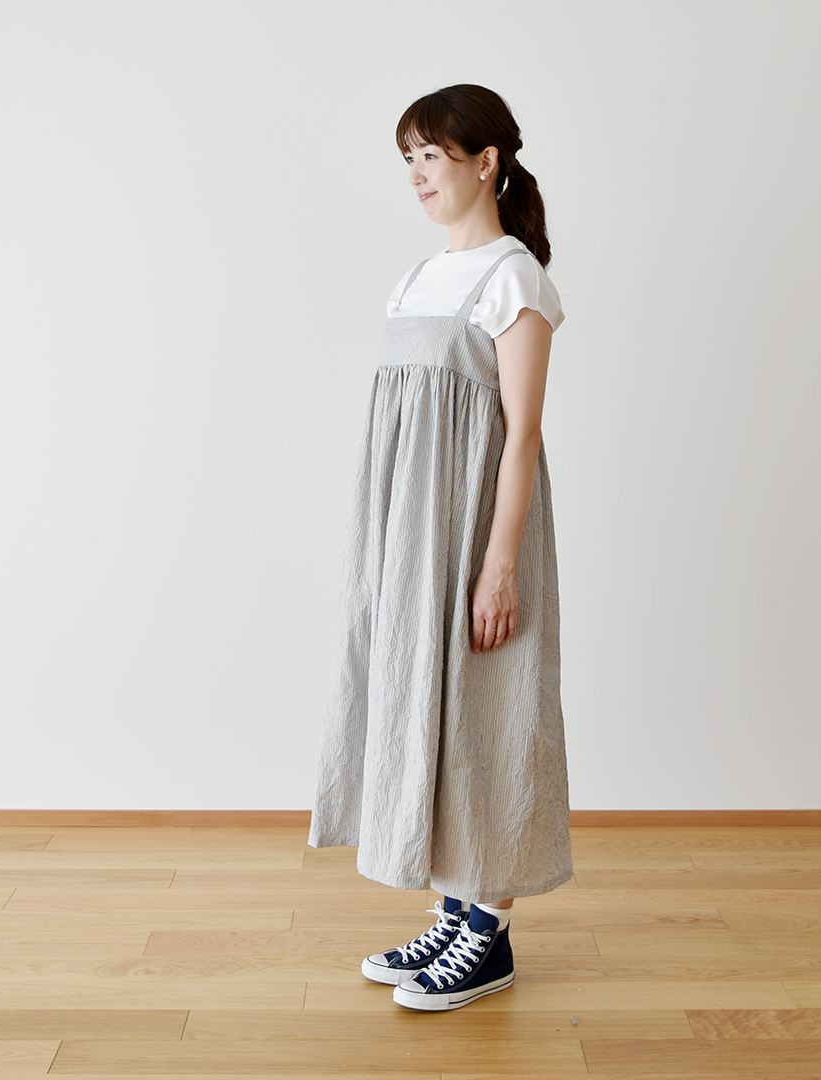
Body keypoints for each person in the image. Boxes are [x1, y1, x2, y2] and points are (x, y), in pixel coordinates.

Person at [308, 84, 572, 1012]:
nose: (417, 175)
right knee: (430, 705)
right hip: (409, 534)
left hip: (475, 533)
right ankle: (454, 912)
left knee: (490, 709)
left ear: (486, 161)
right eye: (408, 159)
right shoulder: (417, 280)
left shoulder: (514, 280)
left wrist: (499, 566)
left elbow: (522, 434)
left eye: (432, 155)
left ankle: (489, 935)